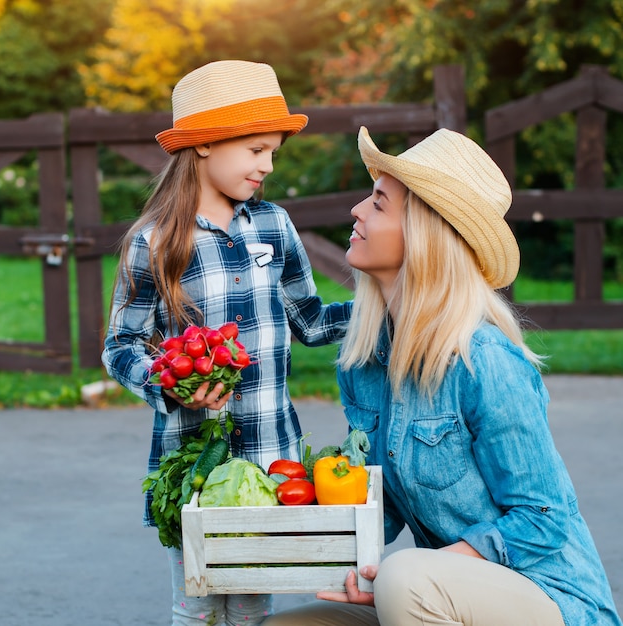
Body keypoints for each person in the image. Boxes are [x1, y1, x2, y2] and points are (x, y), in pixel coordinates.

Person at [262, 127, 622, 626]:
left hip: (552, 598)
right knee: (291, 625)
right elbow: (382, 511)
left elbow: (543, 520)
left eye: (380, 204)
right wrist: (292, 518)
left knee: (406, 578)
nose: (357, 212)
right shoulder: (364, 360)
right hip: (438, 589)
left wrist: (419, 574)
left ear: (426, 233)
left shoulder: (485, 360)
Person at [102, 60, 351, 626]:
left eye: (272, 153)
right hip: (190, 464)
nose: (267, 166)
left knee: (252, 607)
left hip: (269, 460)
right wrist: (168, 384)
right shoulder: (154, 241)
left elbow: (309, 321)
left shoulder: (274, 226)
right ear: (207, 145)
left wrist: (388, 315)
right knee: (197, 604)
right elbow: (122, 344)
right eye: (257, 149)